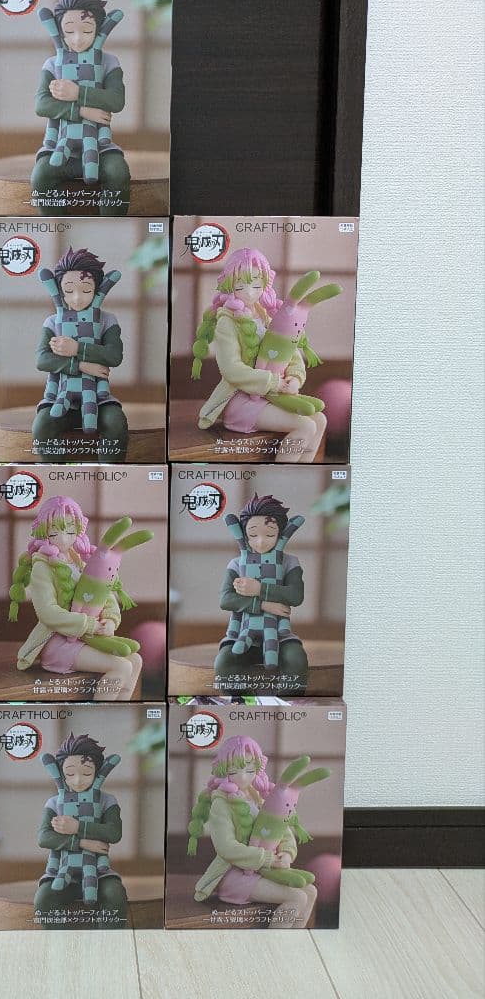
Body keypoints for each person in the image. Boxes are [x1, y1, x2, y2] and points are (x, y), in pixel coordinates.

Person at [192, 247, 327, 463]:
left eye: (256, 286)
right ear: (229, 284)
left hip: (272, 396)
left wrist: (294, 378)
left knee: (319, 420)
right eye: (240, 286)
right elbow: (231, 369)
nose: (249, 293)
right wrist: (273, 382)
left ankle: (303, 473)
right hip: (241, 401)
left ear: (265, 284)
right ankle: (282, 477)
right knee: (305, 426)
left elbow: (289, 352)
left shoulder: (267, 313)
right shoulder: (227, 321)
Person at [8, 496, 141, 700]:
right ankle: (99, 715)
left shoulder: (81, 559)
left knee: (136, 660)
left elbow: (104, 594)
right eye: (55, 532)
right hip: (58, 643)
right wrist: (89, 624)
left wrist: (110, 620)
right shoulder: (42, 566)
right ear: (43, 531)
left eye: (70, 532)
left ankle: (119, 710)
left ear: (79, 530)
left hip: (88, 639)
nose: (63, 539)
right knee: (121, 666)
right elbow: (47, 612)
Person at [187, 735, 317, 929]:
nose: (243, 777)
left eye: (249, 770)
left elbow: (283, 830)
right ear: (223, 769)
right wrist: (267, 858)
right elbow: (226, 847)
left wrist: (287, 853)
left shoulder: (261, 797)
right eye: (234, 770)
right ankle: (276, 944)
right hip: (234, 875)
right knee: (297, 897)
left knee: (311, 891)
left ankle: (295, 939)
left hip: (266, 870)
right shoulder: (221, 803)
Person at [31, 0, 131, 216]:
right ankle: (57, 226)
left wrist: (78, 92)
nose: (77, 39)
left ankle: (111, 227)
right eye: (69, 31)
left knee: (118, 172)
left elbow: (116, 101)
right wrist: (82, 111)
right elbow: (42, 105)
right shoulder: (52, 64)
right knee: (41, 175)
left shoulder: (109, 61)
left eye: (86, 31)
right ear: (59, 31)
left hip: (100, 146)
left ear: (98, 30)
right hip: (59, 145)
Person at [32, 247, 129, 461]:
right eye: (69, 291)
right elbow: (42, 359)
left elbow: (114, 356)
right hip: (60, 396)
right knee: (42, 426)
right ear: (59, 289)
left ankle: (110, 474)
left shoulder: (107, 319)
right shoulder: (52, 322)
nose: (77, 298)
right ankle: (56, 473)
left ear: (97, 289)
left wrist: (77, 348)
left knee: (116, 423)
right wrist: (81, 366)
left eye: (86, 290)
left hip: (99, 398)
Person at [215, 492, 309, 689]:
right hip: (241, 632)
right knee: (224, 662)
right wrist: (263, 604)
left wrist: (259, 588)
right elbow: (226, 600)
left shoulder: (290, 562)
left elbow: (295, 596)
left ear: (281, 534)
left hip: (280, 635)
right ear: (243, 534)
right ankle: (238, 701)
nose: (260, 542)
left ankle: (287, 702)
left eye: (270, 535)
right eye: (253, 535)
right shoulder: (236, 563)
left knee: (296, 659)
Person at [35, 733, 128, 928]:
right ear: (61, 772)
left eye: (86, 774)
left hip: (98, 871)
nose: (78, 781)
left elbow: (114, 833)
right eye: (70, 774)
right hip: (61, 870)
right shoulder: (54, 802)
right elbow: (44, 837)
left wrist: (77, 827)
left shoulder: (107, 800)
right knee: (43, 898)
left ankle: (109, 942)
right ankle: (59, 942)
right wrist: (81, 842)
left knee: (115, 894)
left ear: (98, 772)